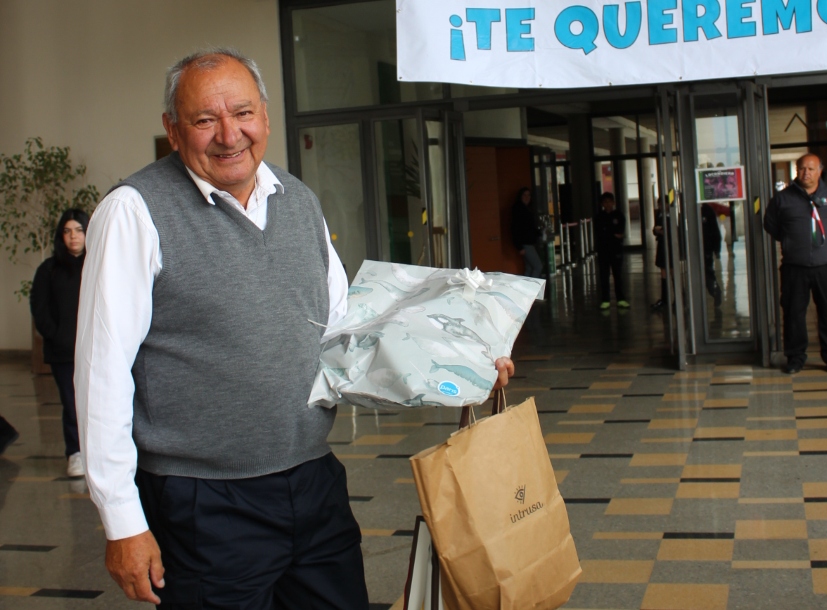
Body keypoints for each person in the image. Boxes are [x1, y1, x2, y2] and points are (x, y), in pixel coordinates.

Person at [75, 48, 514, 608]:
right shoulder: (134, 212)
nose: (229, 135)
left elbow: (345, 343)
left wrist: (466, 361)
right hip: (202, 501)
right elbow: (101, 374)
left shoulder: (299, 201)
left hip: (312, 481)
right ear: (173, 129)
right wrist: (122, 522)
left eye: (243, 113)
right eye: (205, 119)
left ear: (265, 114)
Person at [764, 153, 827, 374]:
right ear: (797, 170)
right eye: (802, 168)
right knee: (793, 314)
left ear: (820, 171)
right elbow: (771, 225)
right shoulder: (782, 199)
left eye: (811, 169)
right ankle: (795, 359)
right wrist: (793, 241)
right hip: (795, 267)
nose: (806, 173)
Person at [30, 209, 89, 478]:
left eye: (78, 230)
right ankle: (75, 453)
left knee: (97, 403)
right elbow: (39, 309)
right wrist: (56, 335)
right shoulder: (49, 270)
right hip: (63, 352)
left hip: (95, 350)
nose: (73, 236)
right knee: (71, 402)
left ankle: (97, 454)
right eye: (67, 231)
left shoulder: (99, 264)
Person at [593, 192, 628, 309]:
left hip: (616, 250)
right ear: (602, 204)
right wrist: (612, 233)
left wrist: (609, 232)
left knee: (618, 275)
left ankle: (621, 299)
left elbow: (620, 232)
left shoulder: (619, 215)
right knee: (604, 276)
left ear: (613, 203)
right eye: (605, 202)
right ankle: (605, 300)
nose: (607, 204)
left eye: (609, 202)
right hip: (603, 250)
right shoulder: (599, 217)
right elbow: (600, 233)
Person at [511, 187, 542, 278]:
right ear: (520, 196)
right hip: (526, 243)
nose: (527, 197)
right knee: (538, 267)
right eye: (524, 195)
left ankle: (526, 286)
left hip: (527, 242)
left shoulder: (525, 209)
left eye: (528, 195)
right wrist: (519, 246)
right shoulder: (519, 210)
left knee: (529, 268)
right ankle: (532, 285)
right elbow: (515, 228)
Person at [700, 203, 723, 308]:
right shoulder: (689, 210)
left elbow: (715, 231)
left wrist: (716, 249)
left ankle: (715, 291)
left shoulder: (707, 211)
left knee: (707, 273)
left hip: (706, 248)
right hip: (696, 249)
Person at [650, 202, 671, 311]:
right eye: (659, 204)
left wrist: (664, 231)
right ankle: (665, 298)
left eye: (663, 204)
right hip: (662, 243)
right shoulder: (659, 214)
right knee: (663, 270)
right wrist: (656, 230)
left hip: (671, 244)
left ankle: (677, 297)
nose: (661, 206)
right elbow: (655, 228)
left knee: (671, 270)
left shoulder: (672, 214)